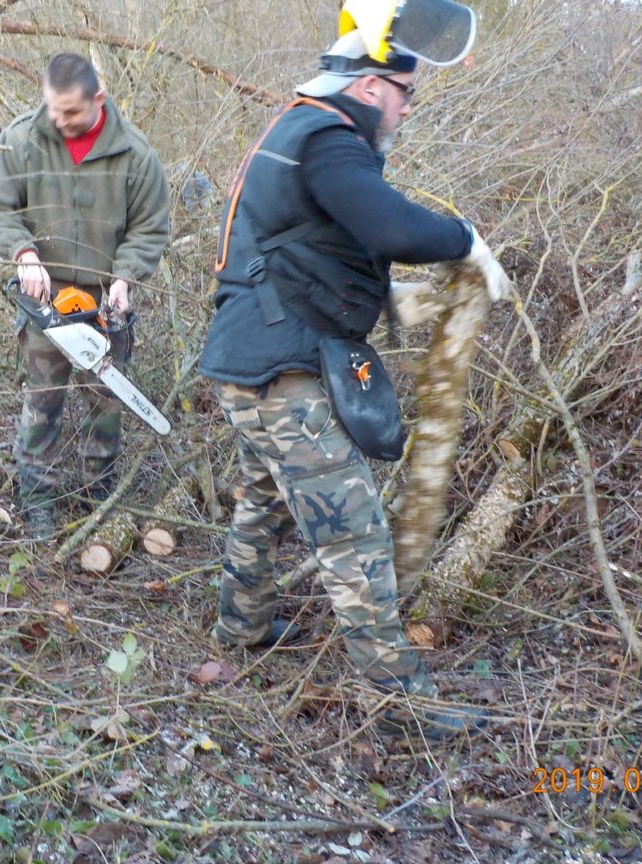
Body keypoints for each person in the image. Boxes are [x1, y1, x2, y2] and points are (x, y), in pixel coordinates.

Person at [198, 29, 513, 741]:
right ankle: (400, 707)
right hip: (281, 371)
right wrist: (465, 236)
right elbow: (391, 225)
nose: (406, 111)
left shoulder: (295, 128)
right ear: (372, 87)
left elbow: (318, 243)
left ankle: (240, 627)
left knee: (264, 500)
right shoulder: (329, 139)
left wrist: (385, 296)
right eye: (405, 96)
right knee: (355, 538)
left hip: (252, 359)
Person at [0, 53, 170, 540]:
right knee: (42, 403)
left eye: (71, 113)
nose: (60, 121)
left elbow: (149, 229)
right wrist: (23, 253)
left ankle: (99, 499)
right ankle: (38, 503)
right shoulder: (22, 140)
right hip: (45, 296)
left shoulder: (135, 154)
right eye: (53, 110)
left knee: (106, 403)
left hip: (106, 297)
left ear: (97, 100)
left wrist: (125, 279)